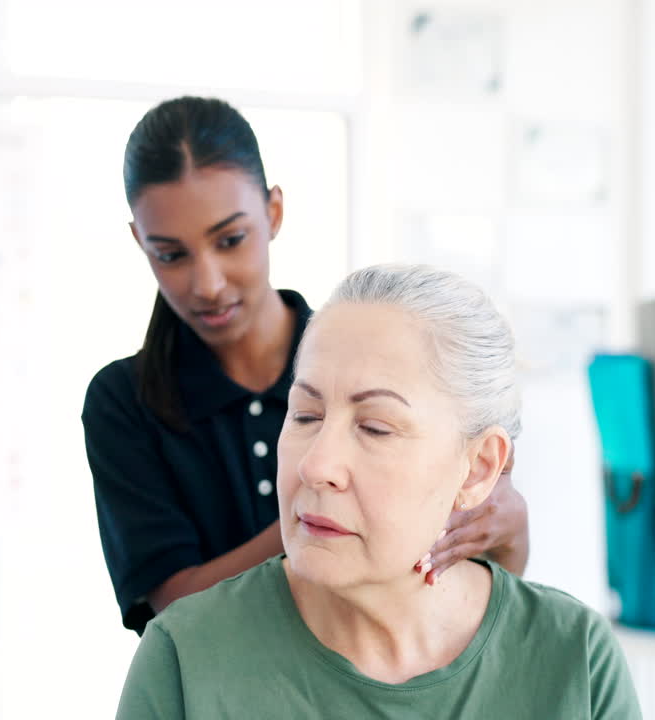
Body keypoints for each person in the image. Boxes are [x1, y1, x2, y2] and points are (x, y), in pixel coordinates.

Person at [82, 97, 530, 635]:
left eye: (230, 240)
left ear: (273, 213)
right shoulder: (124, 400)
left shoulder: (366, 362)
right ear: (140, 242)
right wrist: (322, 516)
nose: (209, 284)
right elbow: (175, 616)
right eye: (171, 254)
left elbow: (476, 593)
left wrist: (509, 529)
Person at [117, 264, 642, 719]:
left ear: (479, 469)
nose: (318, 465)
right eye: (305, 414)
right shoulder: (185, 660)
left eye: (375, 427)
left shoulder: (576, 659)